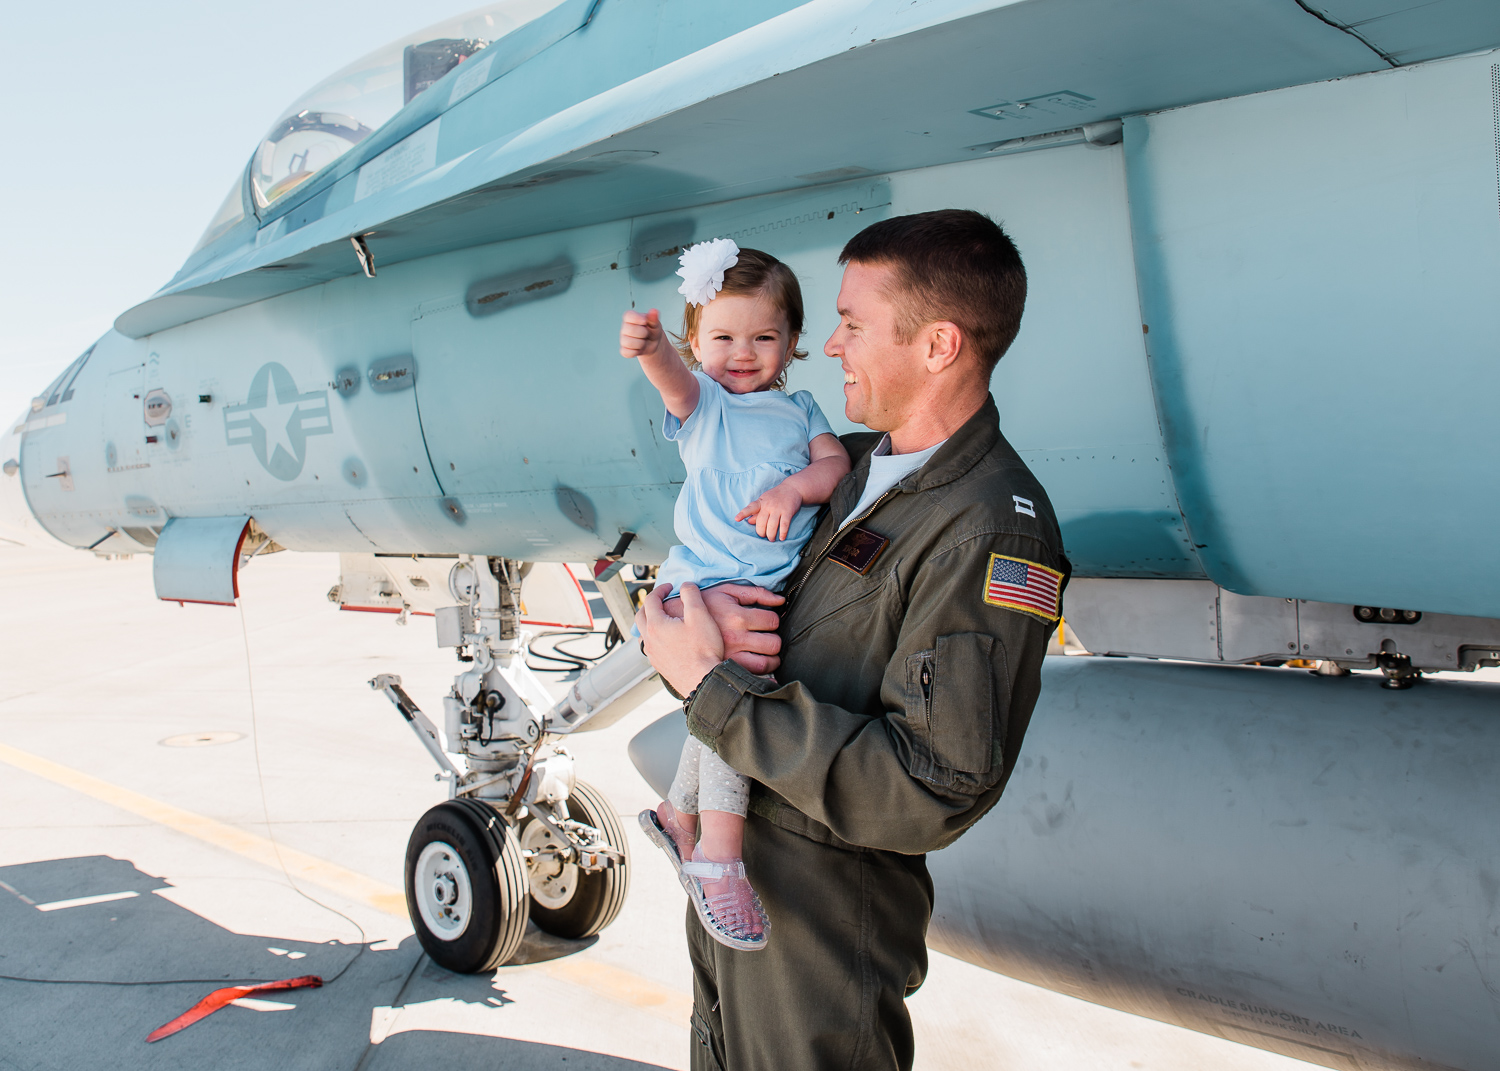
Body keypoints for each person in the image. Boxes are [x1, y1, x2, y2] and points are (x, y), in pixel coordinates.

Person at [634, 209, 1070, 1071]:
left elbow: (933, 784)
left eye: (854, 325)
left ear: (938, 345)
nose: (829, 346)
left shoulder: (988, 529)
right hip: (744, 899)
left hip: (822, 935)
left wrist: (713, 693)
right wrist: (695, 621)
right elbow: (749, 600)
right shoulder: (848, 470)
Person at [619, 239, 851, 952]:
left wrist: (792, 488)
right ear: (697, 341)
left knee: (729, 706)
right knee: (737, 703)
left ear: (791, 344)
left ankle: (676, 814)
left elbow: (835, 465)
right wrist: (654, 348)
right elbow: (674, 385)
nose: (742, 352)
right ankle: (717, 855)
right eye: (721, 337)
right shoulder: (707, 406)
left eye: (763, 337)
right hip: (708, 585)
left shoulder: (802, 408)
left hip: (757, 589)